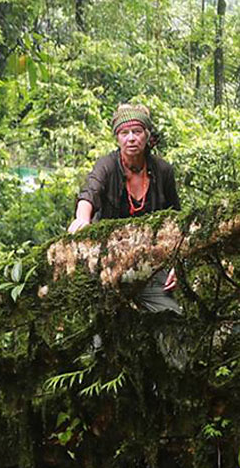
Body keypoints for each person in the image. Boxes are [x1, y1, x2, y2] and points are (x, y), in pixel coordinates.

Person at [67, 102, 182, 311]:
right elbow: (90, 192)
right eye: (124, 133)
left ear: (146, 135)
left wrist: (179, 264)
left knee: (171, 314)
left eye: (137, 131)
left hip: (151, 264)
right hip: (107, 263)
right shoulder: (107, 165)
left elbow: (177, 221)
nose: (131, 138)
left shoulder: (162, 170)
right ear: (117, 138)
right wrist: (82, 219)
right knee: (102, 329)